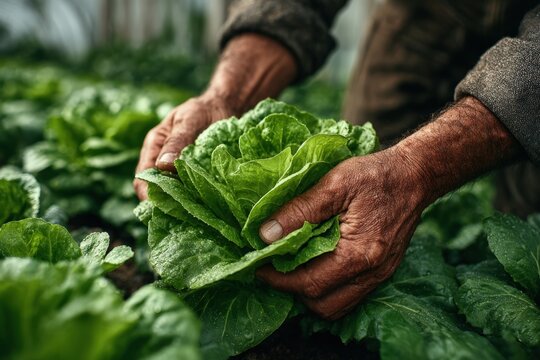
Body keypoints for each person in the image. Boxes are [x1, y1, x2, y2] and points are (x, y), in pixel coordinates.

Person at [134, 0, 540, 320]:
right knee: (374, 135)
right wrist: (226, 93)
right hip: (435, 9)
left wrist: (416, 168)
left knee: (526, 211)